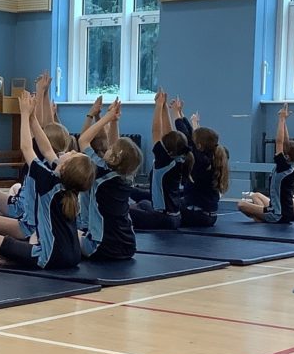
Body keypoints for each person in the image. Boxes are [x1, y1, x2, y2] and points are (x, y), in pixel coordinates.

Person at [0, 91, 95, 269]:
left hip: (50, 256)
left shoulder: (49, 181)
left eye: (72, 154)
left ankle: (15, 259)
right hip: (74, 256)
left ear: (65, 167)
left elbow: (26, 148)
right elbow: (46, 148)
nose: (70, 151)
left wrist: (24, 114)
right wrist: (33, 118)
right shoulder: (67, 183)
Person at [77, 99, 143, 260]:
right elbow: (115, 144)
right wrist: (114, 121)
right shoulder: (126, 175)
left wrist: (106, 118)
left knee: (59, 234)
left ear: (114, 156)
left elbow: (83, 140)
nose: (108, 146)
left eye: (111, 149)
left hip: (101, 247)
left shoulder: (100, 171)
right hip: (128, 246)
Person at [130, 89, 194, 230]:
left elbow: (156, 131)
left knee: (119, 211)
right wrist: (164, 107)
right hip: (175, 217)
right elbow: (169, 134)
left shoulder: (165, 162)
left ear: (167, 149)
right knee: (144, 203)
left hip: (163, 219)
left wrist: (158, 106)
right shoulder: (181, 157)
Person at [169, 97, 230, 227]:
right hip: (209, 216)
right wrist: (180, 113)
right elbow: (192, 134)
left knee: (156, 206)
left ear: (200, 146)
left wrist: (174, 113)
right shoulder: (213, 156)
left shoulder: (201, 160)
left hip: (196, 216)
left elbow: (185, 136)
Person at [238, 103, 294, 223]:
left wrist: (281, 119)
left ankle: (261, 219)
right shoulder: (293, 164)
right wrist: (284, 122)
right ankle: (260, 217)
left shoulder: (284, 167)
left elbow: (279, 142)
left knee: (241, 205)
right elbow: (285, 142)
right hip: (282, 210)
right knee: (256, 195)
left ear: (286, 156)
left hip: (277, 214)